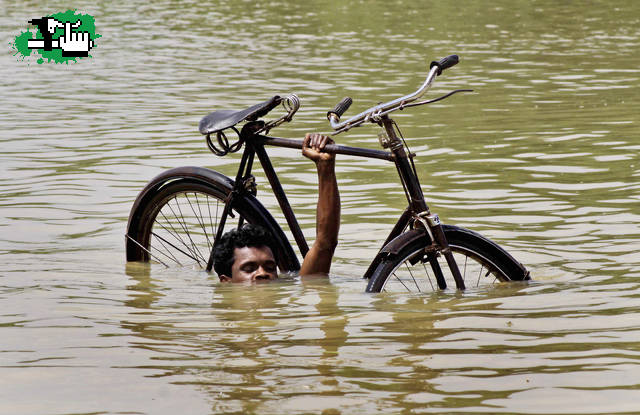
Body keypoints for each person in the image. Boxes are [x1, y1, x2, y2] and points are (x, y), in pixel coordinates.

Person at [214, 133, 340, 283]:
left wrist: (325, 165)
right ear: (226, 281)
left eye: (270, 267)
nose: (262, 273)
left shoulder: (292, 292)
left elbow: (325, 243)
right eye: (249, 268)